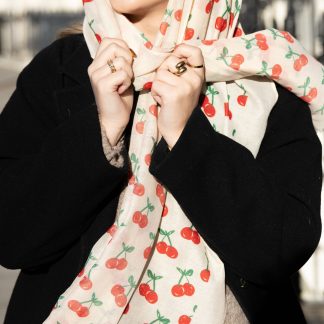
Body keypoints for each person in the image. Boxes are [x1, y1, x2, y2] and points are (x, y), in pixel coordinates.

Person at [0, 0, 323, 323]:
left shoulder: (266, 72)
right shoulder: (60, 68)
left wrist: (186, 136)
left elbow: (279, 249)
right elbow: (12, 235)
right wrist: (103, 129)